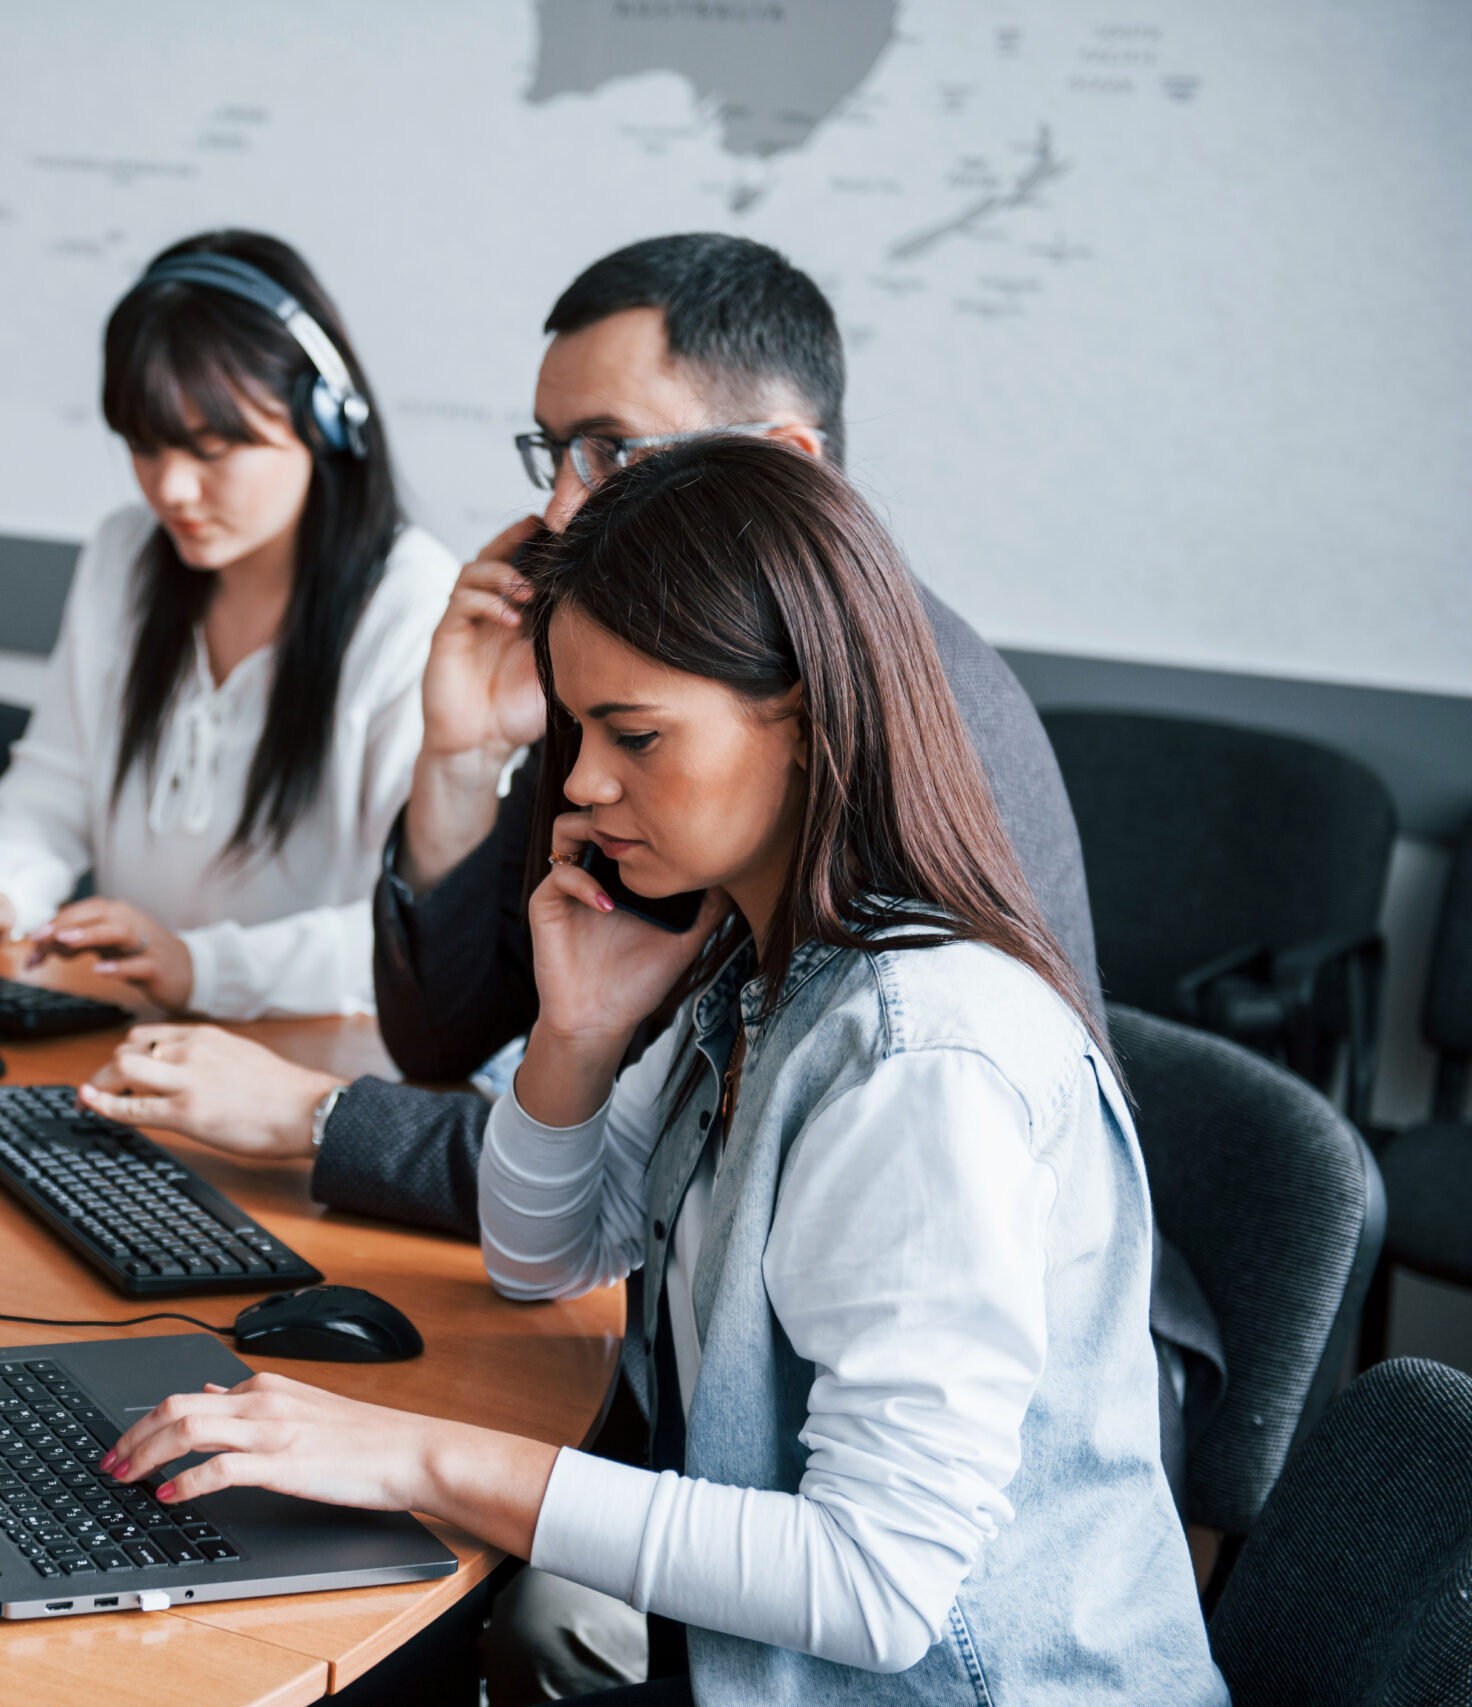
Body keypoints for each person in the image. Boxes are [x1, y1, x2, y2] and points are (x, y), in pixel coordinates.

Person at [101, 438, 1228, 1705]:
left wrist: (415, 1457)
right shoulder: (762, 969)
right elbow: (541, 1255)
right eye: (577, 728)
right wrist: (576, 1033)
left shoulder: (921, 1065)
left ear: (805, 720)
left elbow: (876, 1582)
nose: (581, 782)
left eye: (633, 734)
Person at [83, 233, 1100, 1217]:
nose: (563, 508)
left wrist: (316, 1114)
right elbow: (444, 1038)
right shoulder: (627, 672)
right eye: (553, 452)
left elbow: (670, 1169)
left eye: (612, 451)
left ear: (786, 459)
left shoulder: (918, 729)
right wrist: (463, 754)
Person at [0, 232, 457, 1020]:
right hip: (128, 1027)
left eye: (214, 449)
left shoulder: (410, 604)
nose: (171, 489)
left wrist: (199, 966)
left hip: (312, 1053)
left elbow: (410, 930)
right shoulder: (125, 553)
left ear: (326, 424)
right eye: (145, 446)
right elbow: (53, 791)